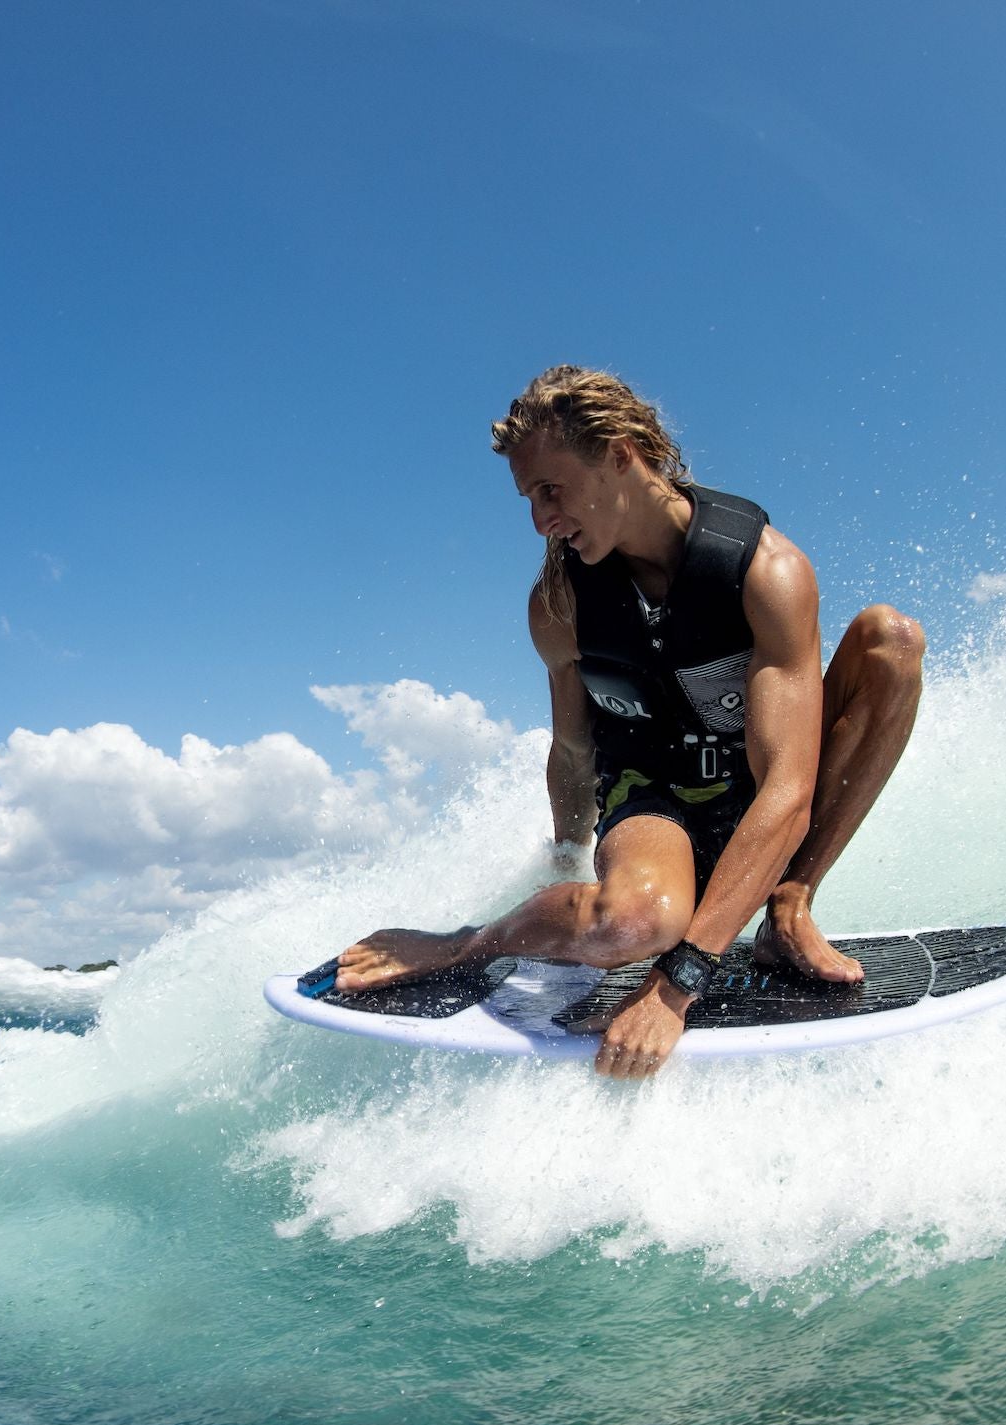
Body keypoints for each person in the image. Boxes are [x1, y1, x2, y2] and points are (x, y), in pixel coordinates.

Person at [328, 365, 925, 1079]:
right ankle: (466, 942)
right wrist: (565, 860)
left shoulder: (766, 572)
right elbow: (574, 750)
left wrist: (675, 987)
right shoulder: (559, 602)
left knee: (890, 642)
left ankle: (790, 906)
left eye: (551, 490)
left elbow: (789, 791)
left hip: (761, 810)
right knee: (633, 921)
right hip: (654, 802)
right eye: (528, 498)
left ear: (619, 452)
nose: (540, 519)